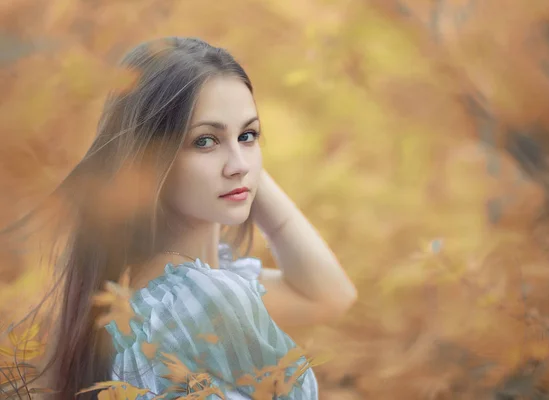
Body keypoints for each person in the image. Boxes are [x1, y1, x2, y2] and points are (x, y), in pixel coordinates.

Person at [2, 37, 357, 399]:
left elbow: (330, 296)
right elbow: (331, 296)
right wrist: (241, 160)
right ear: (148, 160)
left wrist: (238, 162)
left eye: (249, 135)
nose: (238, 165)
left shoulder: (156, 292)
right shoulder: (202, 299)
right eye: (204, 141)